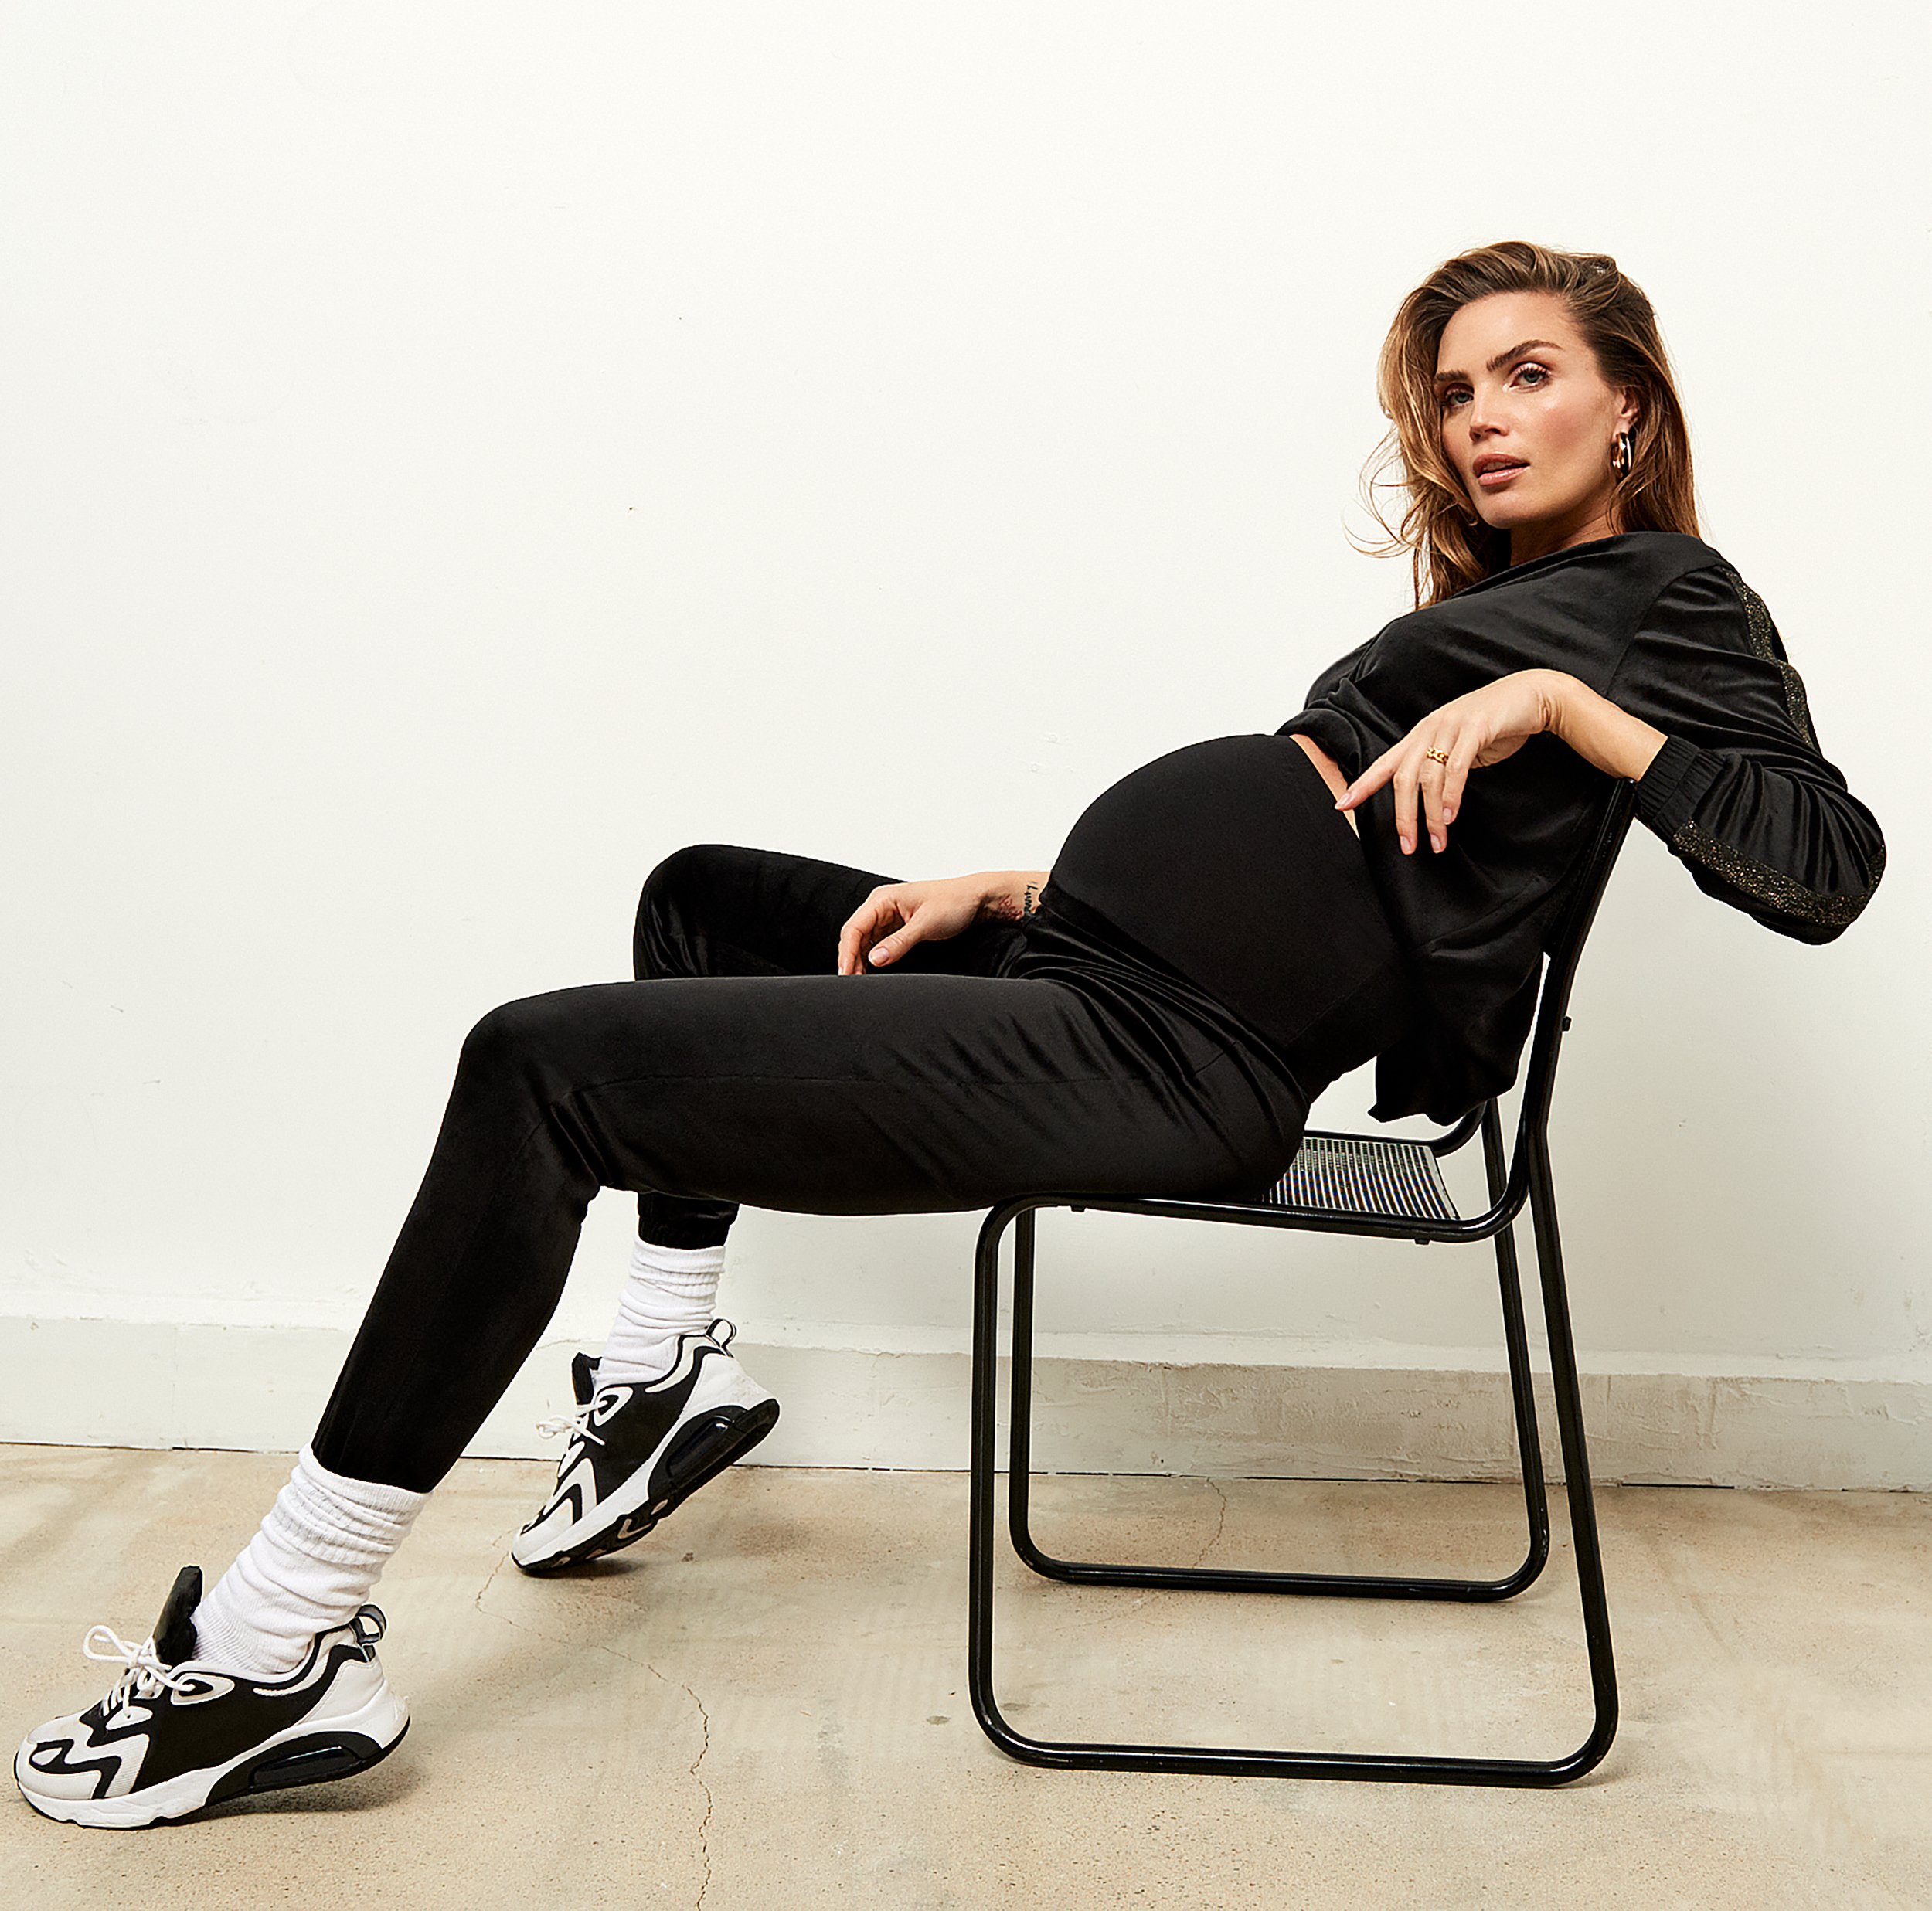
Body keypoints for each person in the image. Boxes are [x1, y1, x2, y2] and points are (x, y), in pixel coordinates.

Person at [15, 240, 1886, 1827]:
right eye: (1454, 387)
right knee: (703, 897)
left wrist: (1561, 705)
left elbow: (1822, 867)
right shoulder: (1507, 607)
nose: (1478, 416)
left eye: (1527, 374)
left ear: (1624, 406)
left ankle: (276, 1644)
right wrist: (1031, 887)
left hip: (1176, 1061)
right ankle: (656, 1387)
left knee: (540, 1064)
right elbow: (1321, 844)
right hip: (1092, 970)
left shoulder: (1660, 601)